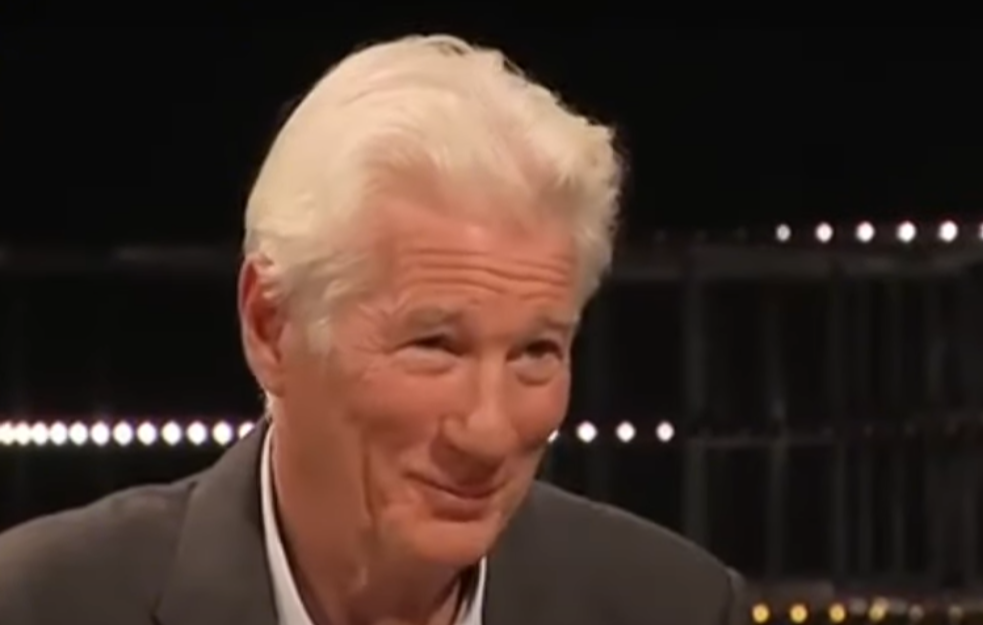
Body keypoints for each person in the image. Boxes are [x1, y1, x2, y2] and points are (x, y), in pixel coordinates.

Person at [0, 34, 748, 625]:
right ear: (271, 325)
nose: (489, 433)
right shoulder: (38, 603)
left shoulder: (677, 607)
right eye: (435, 346)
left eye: (535, 352)